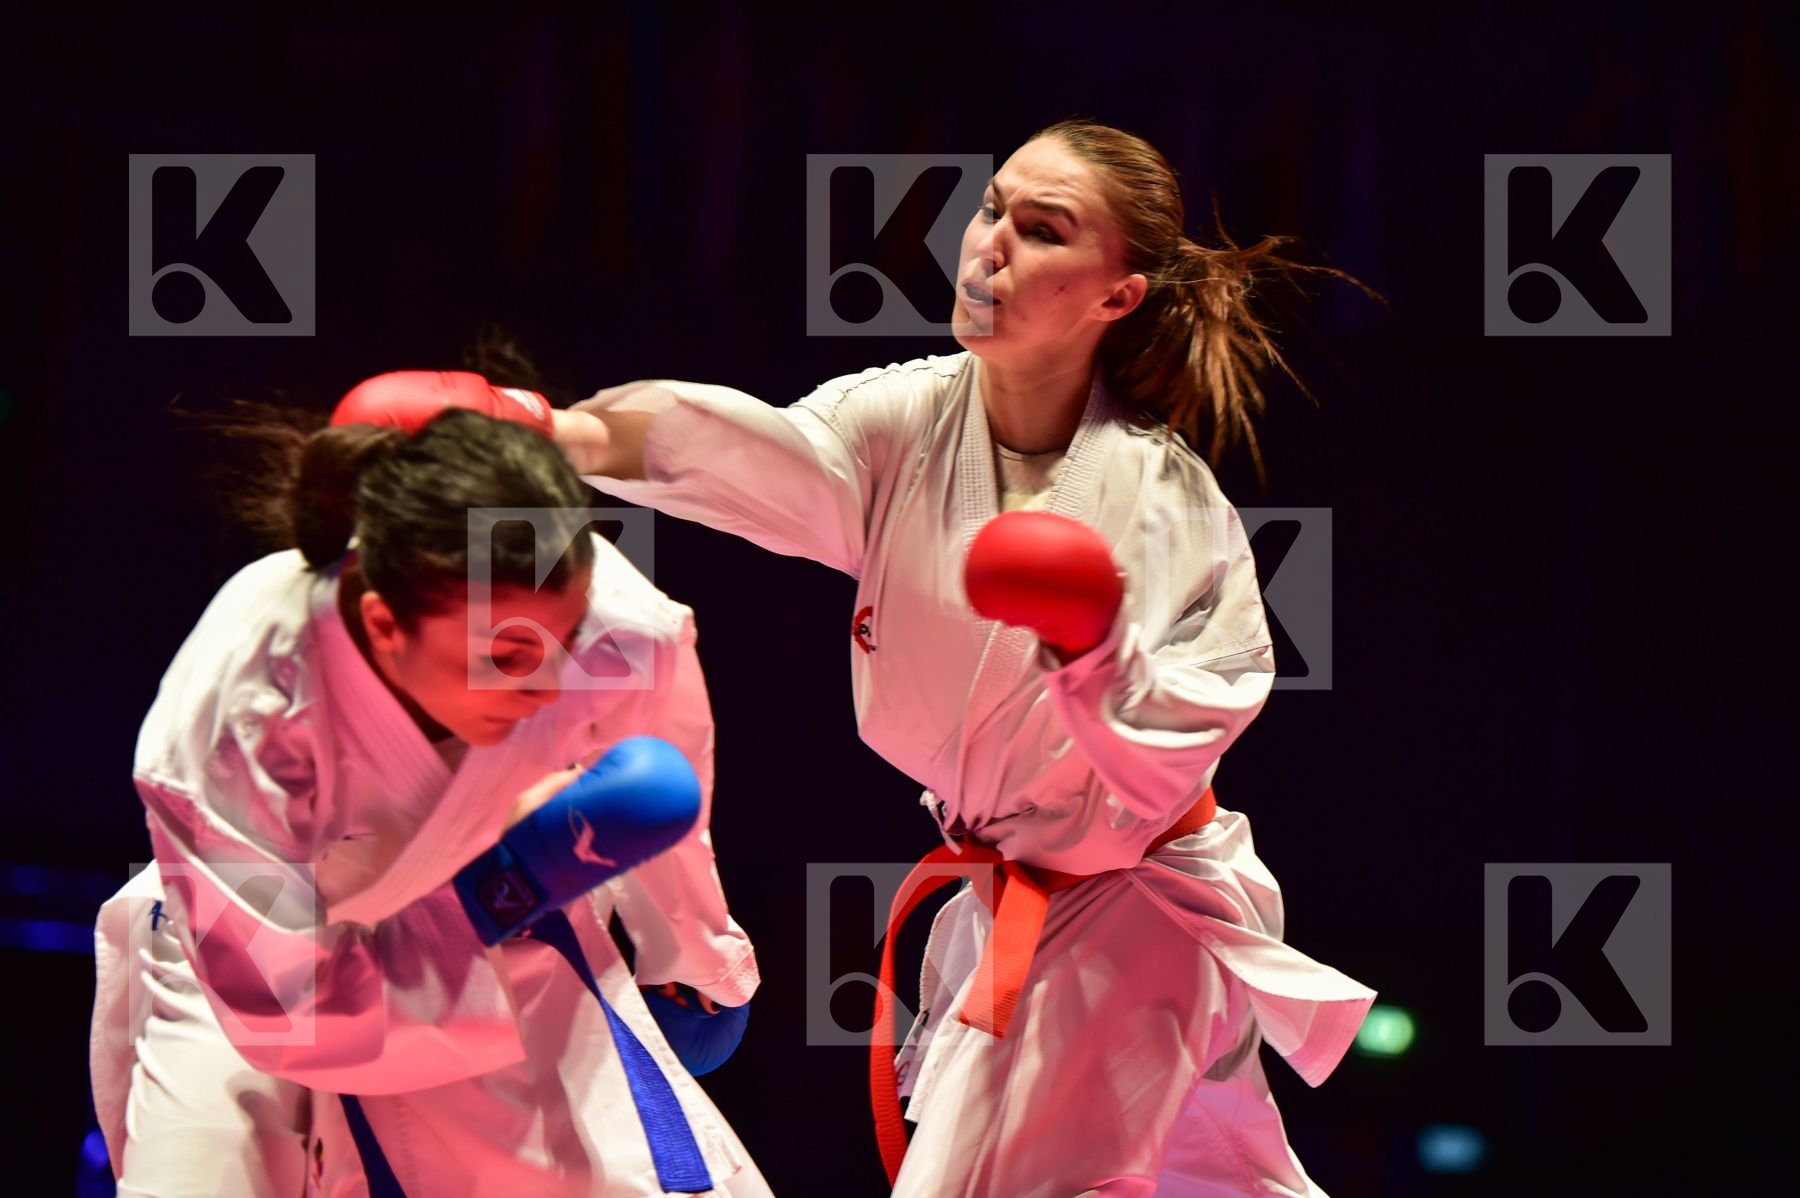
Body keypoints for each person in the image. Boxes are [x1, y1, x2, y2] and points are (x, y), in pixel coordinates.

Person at [554, 119, 1378, 1196]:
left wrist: (1093, 651)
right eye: (992, 208)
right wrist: (553, 433)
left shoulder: (1160, 497)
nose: (989, 245)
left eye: (1041, 232)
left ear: (1116, 296)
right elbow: (762, 454)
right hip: (1029, 903)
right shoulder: (912, 415)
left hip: (1128, 909)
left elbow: (1191, 724)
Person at [88, 372, 771, 1197]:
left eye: (564, 635)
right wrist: (503, 889)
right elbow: (284, 1006)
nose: (551, 685)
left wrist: (696, 958)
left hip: (499, 937)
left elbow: (654, 790)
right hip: (245, 957)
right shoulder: (243, 718)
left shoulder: (618, 628)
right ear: (383, 624)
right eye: (507, 658)